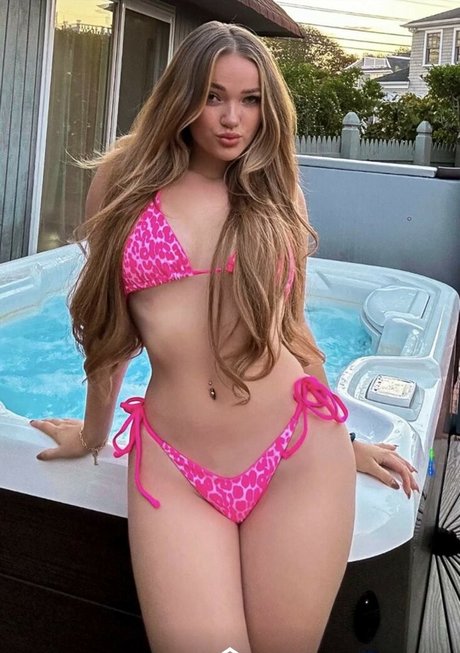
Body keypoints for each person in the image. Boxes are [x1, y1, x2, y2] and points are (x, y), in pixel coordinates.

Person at [30, 21, 418, 653]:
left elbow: (292, 327)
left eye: (250, 99)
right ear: (182, 96)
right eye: (213, 96)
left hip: (295, 453)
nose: (232, 118)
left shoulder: (274, 187)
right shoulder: (125, 179)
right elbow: (110, 332)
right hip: (176, 466)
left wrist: (344, 440)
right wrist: (94, 434)